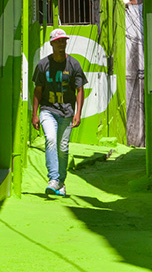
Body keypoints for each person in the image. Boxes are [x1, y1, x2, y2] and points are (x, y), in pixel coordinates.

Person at [32, 28, 87, 196]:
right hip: (48, 109)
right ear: (52, 44)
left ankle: (61, 182)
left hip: (67, 112)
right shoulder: (43, 65)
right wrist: (34, 114)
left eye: (64, 41)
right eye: (58, 41)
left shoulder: (73, 64)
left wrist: (78, 113)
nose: (62, 44)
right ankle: (53, 179)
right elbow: (38, 90)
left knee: (63, 148)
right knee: (50, 139)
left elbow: (80, 90)